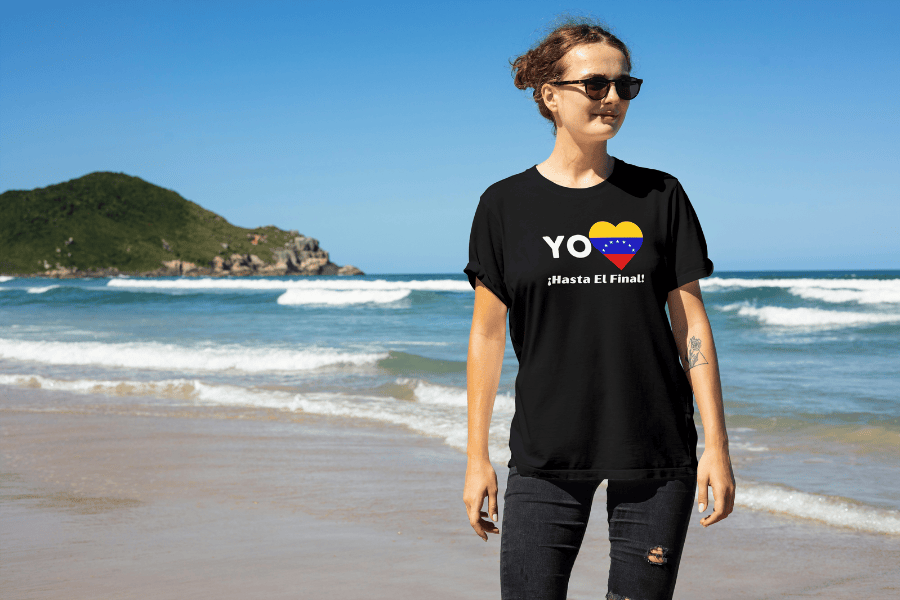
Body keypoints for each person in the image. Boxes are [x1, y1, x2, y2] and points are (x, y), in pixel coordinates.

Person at [462, 19, 736, 600]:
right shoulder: (504, 205)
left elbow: (691, 323)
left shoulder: (661, 195)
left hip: (656, 448)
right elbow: (487, 336)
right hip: (546, 449)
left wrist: (717, 445)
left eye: (624, 86)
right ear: (549, 95)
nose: (612, 98)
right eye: (594, 85)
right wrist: (475, 457)